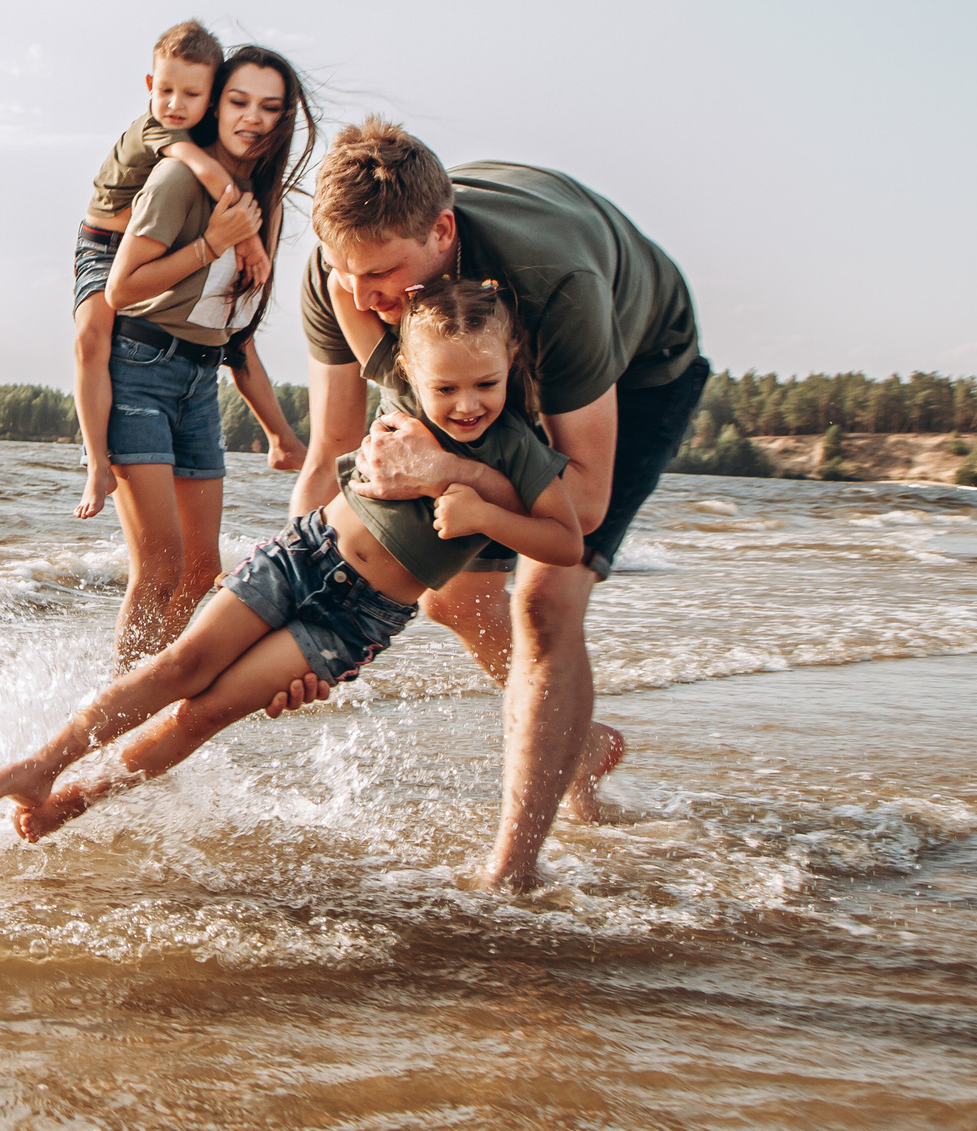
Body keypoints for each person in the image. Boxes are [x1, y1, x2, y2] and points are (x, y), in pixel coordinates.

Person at [0, 276, 581, 841]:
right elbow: (345, 286)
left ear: (509, 367)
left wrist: (483, 517)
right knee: (181, 663)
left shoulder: (515, 449)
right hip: (303, 554)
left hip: (351, 620)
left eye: (486, 384)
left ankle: (76, 800)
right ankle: (42, 766)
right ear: (410, 374)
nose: (466, 404)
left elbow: (565, 540)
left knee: (202, 714)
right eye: (445, 388)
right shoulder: (406, 399)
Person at [283, 119, 706, 891]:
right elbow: (330, 453)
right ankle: (573, 741)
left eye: (383, 273)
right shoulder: (345, 278)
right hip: (470, 363)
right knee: (454, 597)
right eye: (348, 273)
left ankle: (512, 870)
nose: (366, 295)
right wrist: (296, 611)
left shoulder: (556, 285)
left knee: (544, 604)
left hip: (637, 367)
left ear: (442, 232)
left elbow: (579, 502)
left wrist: (449, 468)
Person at [97, 44, 313, 667]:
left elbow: (234, 334)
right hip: (140, 370)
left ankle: (142, 695)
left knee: (199, 574)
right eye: (238, 102)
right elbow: (122, 289)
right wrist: (213, 241)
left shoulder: (262, 197)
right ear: (214, 105)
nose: (252, 118)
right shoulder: (177, 180)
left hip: (199, 382)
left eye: (269, 107)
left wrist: (283, 434)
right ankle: (114, 711)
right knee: (160, 569)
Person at [70, 21, 269, 521]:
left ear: (211, 96)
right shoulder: (161, 130)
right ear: (148, 86)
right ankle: (97, 462)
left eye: (190, 93)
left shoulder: (199, 127)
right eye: (164, 90)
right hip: (103, 245)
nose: (174, 103)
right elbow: (206, 172)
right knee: (92, 339)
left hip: (146, 248)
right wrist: (248, 243)